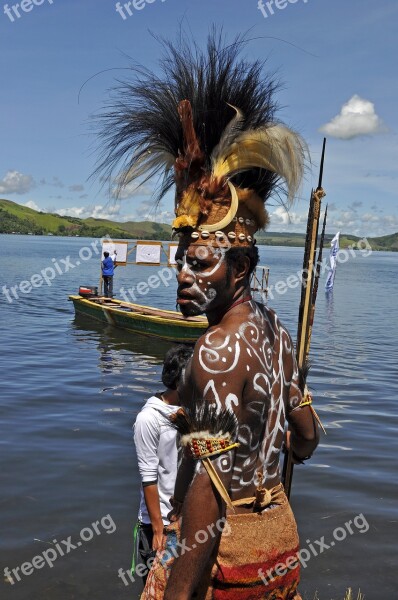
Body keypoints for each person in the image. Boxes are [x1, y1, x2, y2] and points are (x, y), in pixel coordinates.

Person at [96, 31, 320, 600]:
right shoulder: (276, 330)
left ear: (239, 269)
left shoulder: (214, 354)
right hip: (283, 548)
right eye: (181, 262)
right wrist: (275, 450)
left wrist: (173, 591)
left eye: (200, 263)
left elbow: (206, 503)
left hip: (232, 564)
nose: (183, 278)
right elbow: (308, 438)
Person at [133, 345, 193, 587]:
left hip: (186, 514)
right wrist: (158, 529)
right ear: (180, 382)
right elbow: (149, 477)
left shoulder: (190, 410)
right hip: (158, 520)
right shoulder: (148, 419)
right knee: (153, 585)